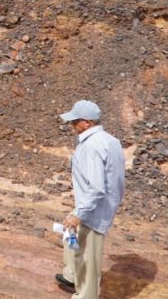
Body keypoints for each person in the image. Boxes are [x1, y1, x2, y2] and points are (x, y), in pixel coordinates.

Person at [55, 100, 125, 299]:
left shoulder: (92, 146)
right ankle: (71, 275)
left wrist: (80, 213)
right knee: (70, 234)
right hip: (99, 203)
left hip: (94, 208)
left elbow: (96, 188)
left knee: (88, 255)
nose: (71, 125)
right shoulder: (110, 140)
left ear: (87, 122)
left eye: (75, 121)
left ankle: (85, 294)